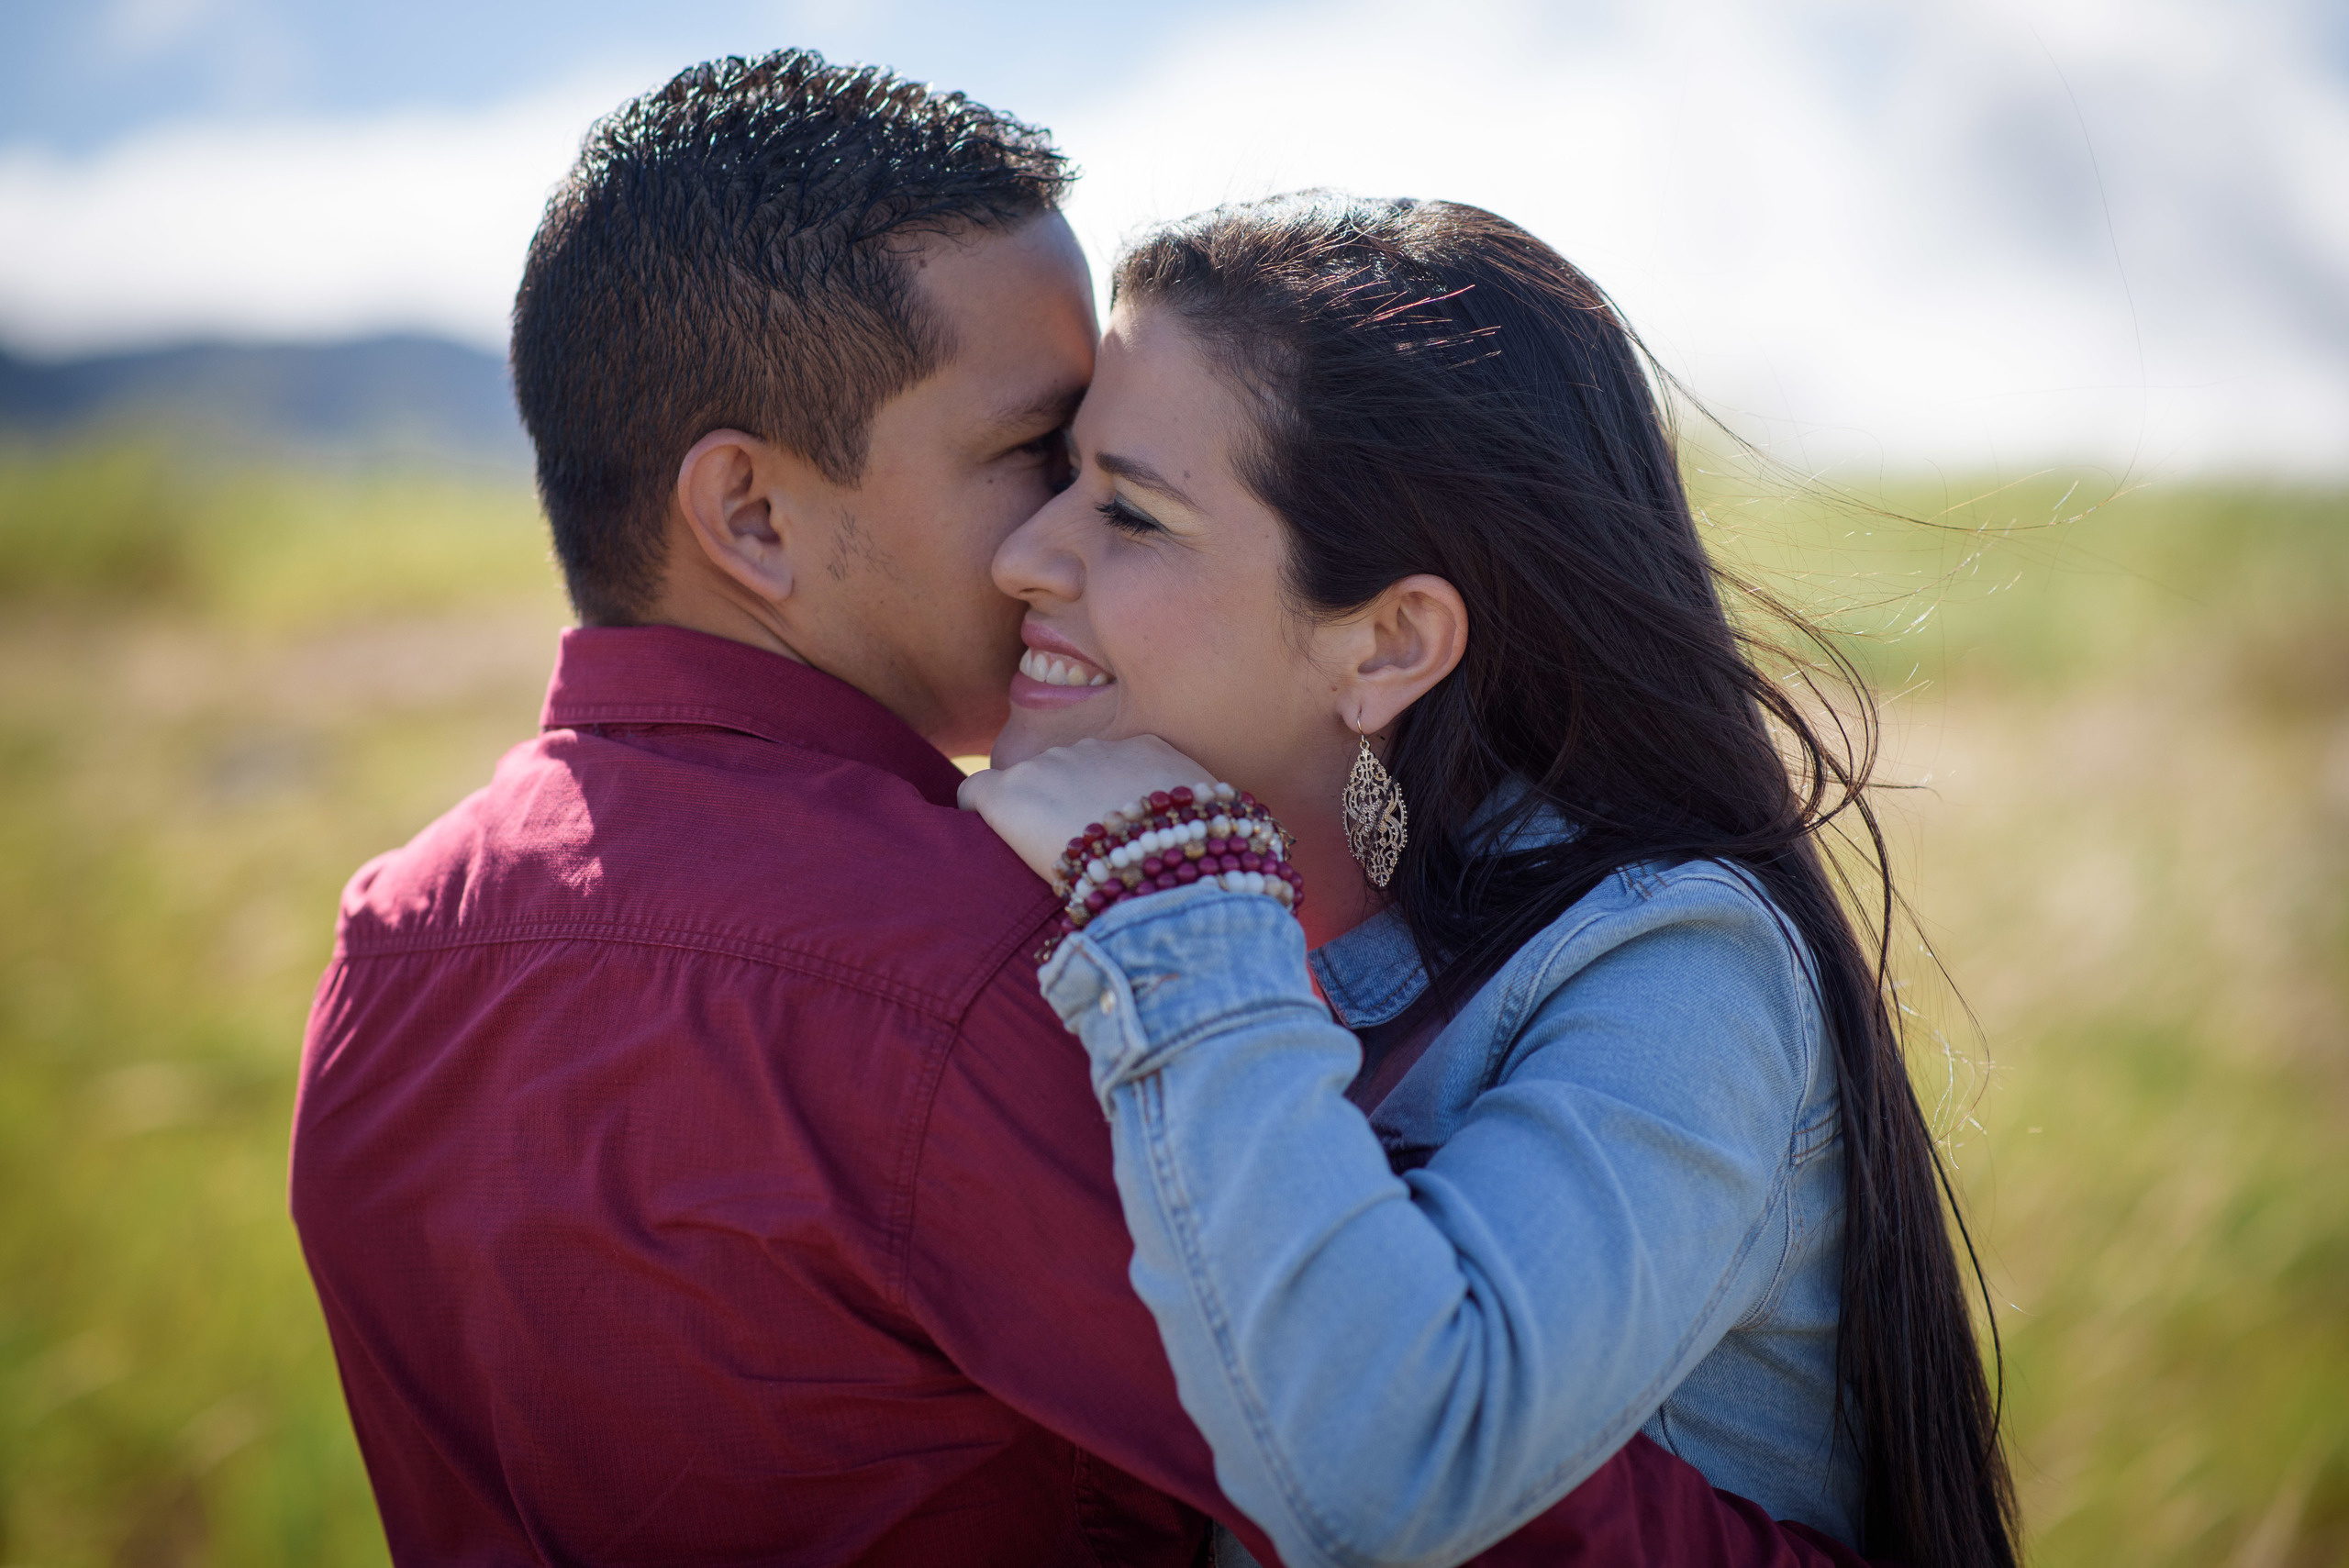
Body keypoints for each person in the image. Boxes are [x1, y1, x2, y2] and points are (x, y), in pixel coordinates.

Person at [291, 49, 1897, 1568]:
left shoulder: (380, 958)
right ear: (752, 515)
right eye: (1030, 452)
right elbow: (1450, 1497)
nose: (1036, 545)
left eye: (1113, 492)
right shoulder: (991, 962)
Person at [963, 194, 2021, 1568]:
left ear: (1390, 643)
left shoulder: (1679, 962)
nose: (1022, 555)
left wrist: (1170, 890)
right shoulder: (1290, 925)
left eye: (1131, 513)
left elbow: (1398, 1463)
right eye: (1058, 478)